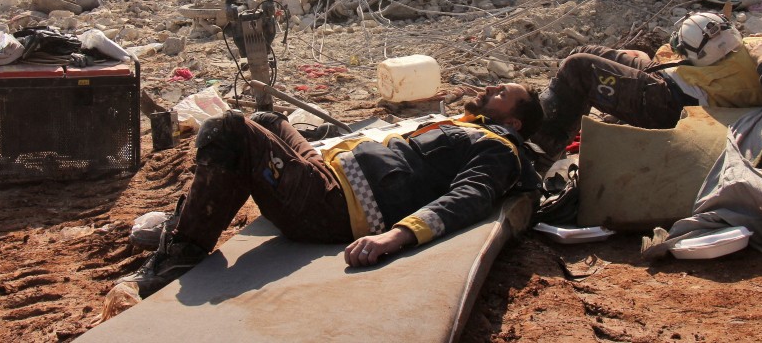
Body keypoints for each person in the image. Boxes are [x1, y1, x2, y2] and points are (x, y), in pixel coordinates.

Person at [115, 82, 544, 298]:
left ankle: (180, 254)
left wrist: (397, 235)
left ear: (515, 123)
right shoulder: (470, 127)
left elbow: (469, 197)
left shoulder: (499, 148)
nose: (492, 89)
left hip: (334, 204)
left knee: (228, 131)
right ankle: (188, 219)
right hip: (331, 172)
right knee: (266, 120)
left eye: (502, 93)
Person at [533, 0, 762, 162]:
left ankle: (542, 148)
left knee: (580, 67)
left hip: (676, 103)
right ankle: (553, 124)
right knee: (591, 51)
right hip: (675, 80)